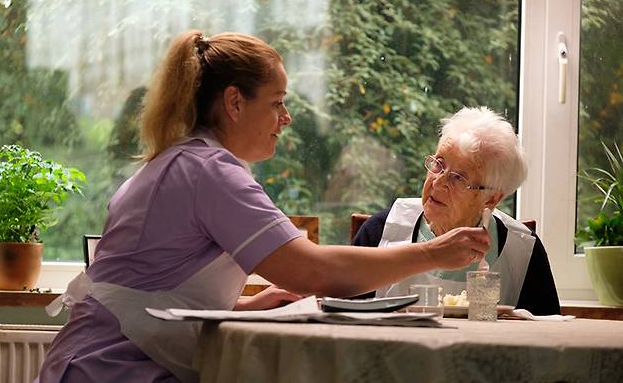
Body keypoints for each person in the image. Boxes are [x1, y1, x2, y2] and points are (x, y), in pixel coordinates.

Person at [38, 31, 490, 382]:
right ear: (234, 101)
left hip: (97, 363)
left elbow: (149, 288)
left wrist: (242, 311)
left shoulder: (188, 161)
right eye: (277, 103)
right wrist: (433, 253)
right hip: (110, 370)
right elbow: (311, 271)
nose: (286, 118)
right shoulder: (208, 171)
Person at [353, 107, 560, 315]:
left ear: (492, 197)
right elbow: (340, 320)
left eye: (458, 178)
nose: (438, 182)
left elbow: (548, 335)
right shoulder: (381, 231)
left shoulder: (522, 251)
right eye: (438, 165)